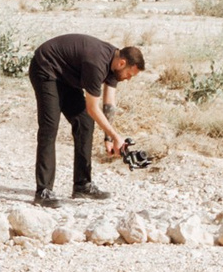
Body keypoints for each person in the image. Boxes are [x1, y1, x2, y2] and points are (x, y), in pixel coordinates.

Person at [27, 33, 144, 207]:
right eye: (129, 74)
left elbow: (109, 104)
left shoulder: (114, 64)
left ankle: (82, 185)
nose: (128, 79)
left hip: (66, 76)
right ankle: (43, 191)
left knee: (85, 123)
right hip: (46, 67)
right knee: (49, 127)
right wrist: (116, 136)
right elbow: (92, 108)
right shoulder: (96, 64)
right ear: (122, 63)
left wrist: (109, 139)